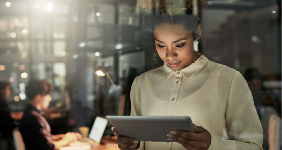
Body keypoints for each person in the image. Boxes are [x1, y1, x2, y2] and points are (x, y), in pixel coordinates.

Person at [112, 1, 263, 150]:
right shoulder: (141, 83)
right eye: (161, 45)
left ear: (197, 32)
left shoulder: (230, 80)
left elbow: (254, 147)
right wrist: (131, 145)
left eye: (179, 44)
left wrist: (213, 145)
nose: (169, 55)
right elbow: (137, 142)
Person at [19, 80, 82, 150]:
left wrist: (63, 136)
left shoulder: (32, 114)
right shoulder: (33, 118)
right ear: (38, 97)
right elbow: (49, 147)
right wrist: (67, 140)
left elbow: (42, 138)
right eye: (47, 95)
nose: (50, 98)